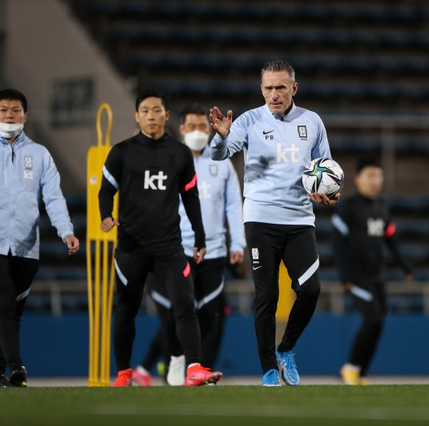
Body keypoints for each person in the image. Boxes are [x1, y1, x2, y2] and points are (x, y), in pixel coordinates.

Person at [208, 60, 338, 386]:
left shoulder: (312, 121)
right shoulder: (248, 120)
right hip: (260, 218)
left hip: (299, 220)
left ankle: (287, 349)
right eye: (268, 88)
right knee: (266, 296)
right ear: (261, 89)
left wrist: (329, 194)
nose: (274, 94)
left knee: (311, 289)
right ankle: (268, 369)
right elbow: (218, 156)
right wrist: (221, 137)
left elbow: (325, 169)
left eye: (281, 87)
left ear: (294, 88)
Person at [99, 89, 222, 387]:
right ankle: (124, 373)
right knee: (126, 310)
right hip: (131, 246)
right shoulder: (121, 152)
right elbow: (105, 189)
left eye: (157, 111)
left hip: (169, 247)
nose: (151, 116)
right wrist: (105, 215)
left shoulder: (179, 153)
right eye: (145, 111)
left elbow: (191, 197)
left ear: (167, 116)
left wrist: (200, 237)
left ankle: (194, 368)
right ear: (137, 115)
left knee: (184, 303)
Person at [132, 104, 246, 386]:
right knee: (178, 311)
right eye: (191, 127)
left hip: (215, 251)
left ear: (210, 129)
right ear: (181, 129)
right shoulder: (168, 160)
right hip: (176, 249)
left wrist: (239, 243)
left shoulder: (223, 162)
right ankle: (175, 359)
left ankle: (200, 371)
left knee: (211, 315)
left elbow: (234, 204)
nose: (197, 132)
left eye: (202, 127)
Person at [0, 88, 80, 387]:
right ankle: (17, 366)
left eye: (15, 110)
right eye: (3, 109)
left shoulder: (40, 154)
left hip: (26, 248)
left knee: (13, 312)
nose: (9, 115)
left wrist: (67, 231)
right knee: (5, 303)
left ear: (26, 116)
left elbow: (54, 198)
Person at [332, 157, 413, 385]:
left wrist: (404, 266)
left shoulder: (383, 207)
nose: (375, 181)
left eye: (378, 175)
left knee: (378, 323)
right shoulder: (347, 208)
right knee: (373, 320)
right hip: (357, 278)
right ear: (357, 179)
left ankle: (361, 373)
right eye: (370, 175)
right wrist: (345, 276)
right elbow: (337, 243)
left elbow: (391, 238)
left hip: (378, 277)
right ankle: (350, 368)